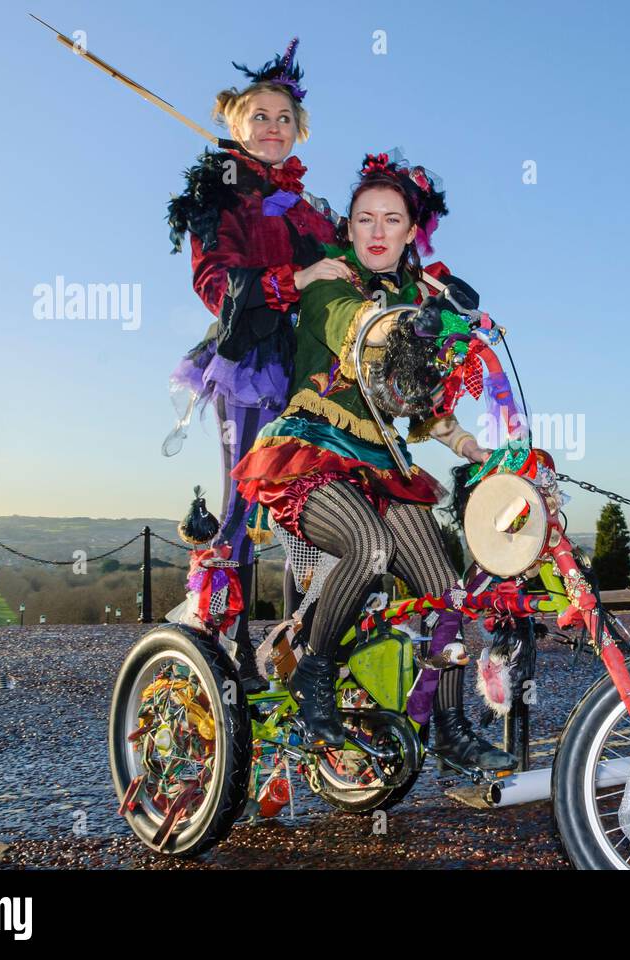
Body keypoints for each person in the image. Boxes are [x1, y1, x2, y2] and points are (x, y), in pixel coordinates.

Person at [231, 150, 516, 771]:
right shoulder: (334, 282)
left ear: (412, 232)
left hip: (381, 462)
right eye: (365, 219)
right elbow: (364, 334)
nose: (378, 232)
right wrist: (427, 326)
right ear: (350, 228)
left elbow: (424, 407)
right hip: (312, 451)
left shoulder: (413, 294)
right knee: (370, 548)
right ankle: (314, 674)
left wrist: (472, 448)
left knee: (446, 589)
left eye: (392, 220)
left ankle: (447, 724)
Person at [164, 38, 338, 689]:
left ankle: (304, 646)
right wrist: (292, 278)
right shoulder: (221, 189)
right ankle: (229, 649)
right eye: (259, 117)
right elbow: (214, 280)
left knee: (311, 499)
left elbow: (346, 271)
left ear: (298, 132)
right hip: (251, 360)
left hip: (311, 370)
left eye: (284, 119)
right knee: (245, 499)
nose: (272, 127)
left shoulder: (301, 202)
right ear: (238, 123)